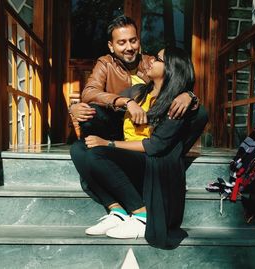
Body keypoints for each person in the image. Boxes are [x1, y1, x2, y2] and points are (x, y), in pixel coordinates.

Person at [72, 46, 207, 250]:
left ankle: (141, 213)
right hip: (126, 153)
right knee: (78, 149)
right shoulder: (138, 91)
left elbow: (156, 146)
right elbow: (99, 98)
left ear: (171, 68)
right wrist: (75, 107)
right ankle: (116, 210)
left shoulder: (177, 102)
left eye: (159, 59)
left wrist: (190, 95)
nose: (151, 60)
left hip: (148, 160)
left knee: (97, 154)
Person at [69, 15, 196, 138]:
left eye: (133, 41)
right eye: (122, 42)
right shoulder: (106, 64)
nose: (129, 47)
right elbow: (89, 92)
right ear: (111, 46)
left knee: (197, 113)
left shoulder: (151, 63)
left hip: (147, 127)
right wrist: (126, 102)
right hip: (116, 124)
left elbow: (176, 80)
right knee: (90, 111)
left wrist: (189, 95)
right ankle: (98, 149)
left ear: (138, 41)